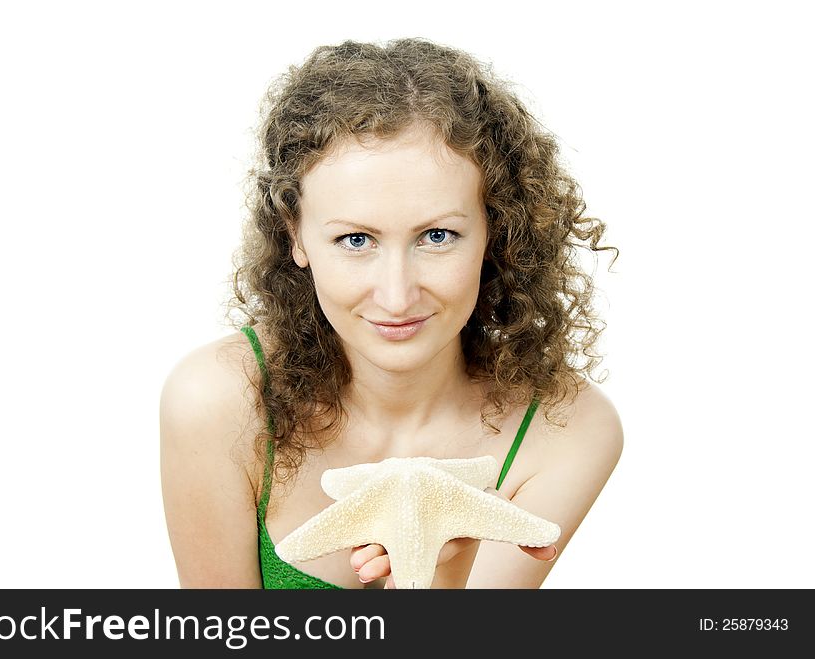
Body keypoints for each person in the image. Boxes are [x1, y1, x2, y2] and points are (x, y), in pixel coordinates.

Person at [160, 37, 623, 589]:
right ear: (296, 235)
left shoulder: (566, 429)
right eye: (356, 240)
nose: (397, 296)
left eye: (437, 235)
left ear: (493, 231)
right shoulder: (219, 400)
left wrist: (446, 571)